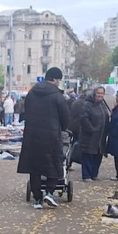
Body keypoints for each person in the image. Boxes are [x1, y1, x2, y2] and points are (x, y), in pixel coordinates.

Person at [16, 67, 70, 209]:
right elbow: (65, 117)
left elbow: (26, 111)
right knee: (55, 163)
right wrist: (63, 128)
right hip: (51, 135)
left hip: (32, 135)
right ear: (55, 79)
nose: (59, 83)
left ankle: (37, 199)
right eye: (59, 80)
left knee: (35, 167)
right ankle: (50, 192)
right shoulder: (57, 96)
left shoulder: (31, 93)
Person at [78, 85, 109, 181]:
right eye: (98, 93)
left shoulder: (102, 104)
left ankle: (94, 174)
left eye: (102, 93)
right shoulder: (87, 104)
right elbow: (84, 118)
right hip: (90, 135)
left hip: (101, 136)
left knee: (98, 155)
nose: (100, 95)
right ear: (94, 93)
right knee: (88, 155)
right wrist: (91, 129)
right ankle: (86, 175)